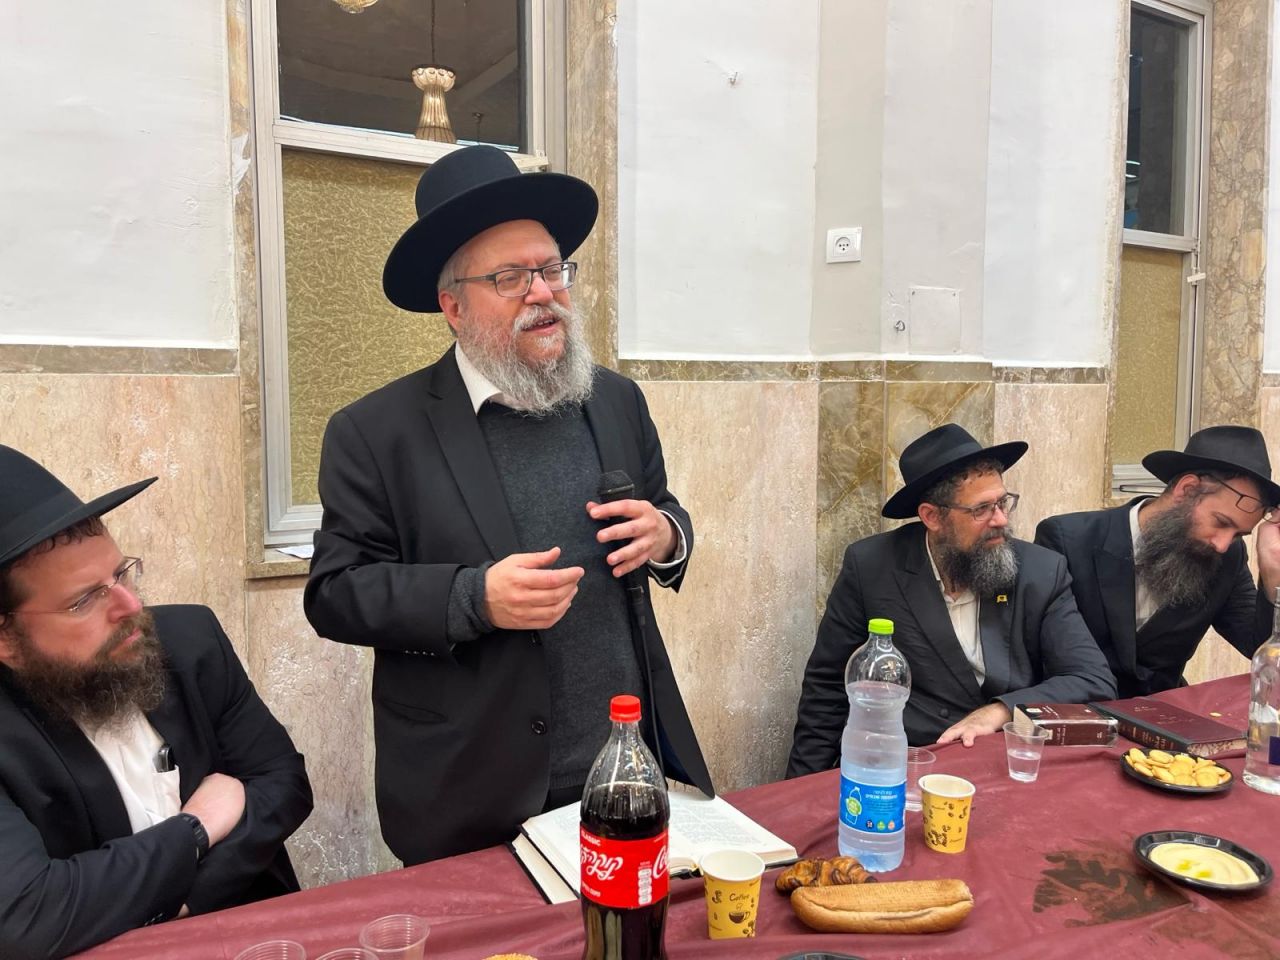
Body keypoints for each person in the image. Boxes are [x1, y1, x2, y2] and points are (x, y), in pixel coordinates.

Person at [304, 144, 713, 865]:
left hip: (620, 761)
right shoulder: (375, 432)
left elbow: (665, 509)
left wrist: (666, 535)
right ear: (453, 306)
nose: (542, 293)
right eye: (510, 278)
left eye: (552, 270)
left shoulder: (616, 400)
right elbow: (336, 593)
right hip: (472, 788)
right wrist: (473, 598)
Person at [0, 445, 312, 960]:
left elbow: (282, 782)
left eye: (121, 574)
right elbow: (28, 913)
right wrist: (196, 829)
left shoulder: (189, 639)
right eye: (84, 600)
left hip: (253, 933)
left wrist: (184, 899)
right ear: (7, 640)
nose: (130, 606)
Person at [787, 423, 1116, 775]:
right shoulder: (873, 567)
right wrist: (798, 790)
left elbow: (1092, 679)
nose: (1000, 519)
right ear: (932, 517)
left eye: (1003, 502)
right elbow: (828, 688)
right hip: (909, 764)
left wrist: (1002, 710)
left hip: (1004, 765)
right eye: (981, 509)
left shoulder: (1040, 570)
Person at [1035, 425, 1280, 698]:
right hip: (1075, 711)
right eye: (1221, 523)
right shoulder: (1067, 540)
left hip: (1164, 715)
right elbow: (1042, 653)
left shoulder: (1227, 558)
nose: (1222, 544)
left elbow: (1259, 647)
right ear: (1186, 490)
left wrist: (1273, 570)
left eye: (1238, 535)